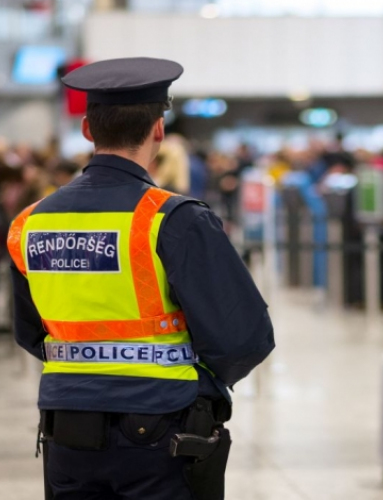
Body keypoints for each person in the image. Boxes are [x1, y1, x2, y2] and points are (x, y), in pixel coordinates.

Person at [7, 57, 275, 500]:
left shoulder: (30, 222)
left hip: (67, 428)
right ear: (158, 130)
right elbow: (243, 337)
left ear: (88, 131)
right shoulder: (173, 219)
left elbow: (29, 332)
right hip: (163, 430)